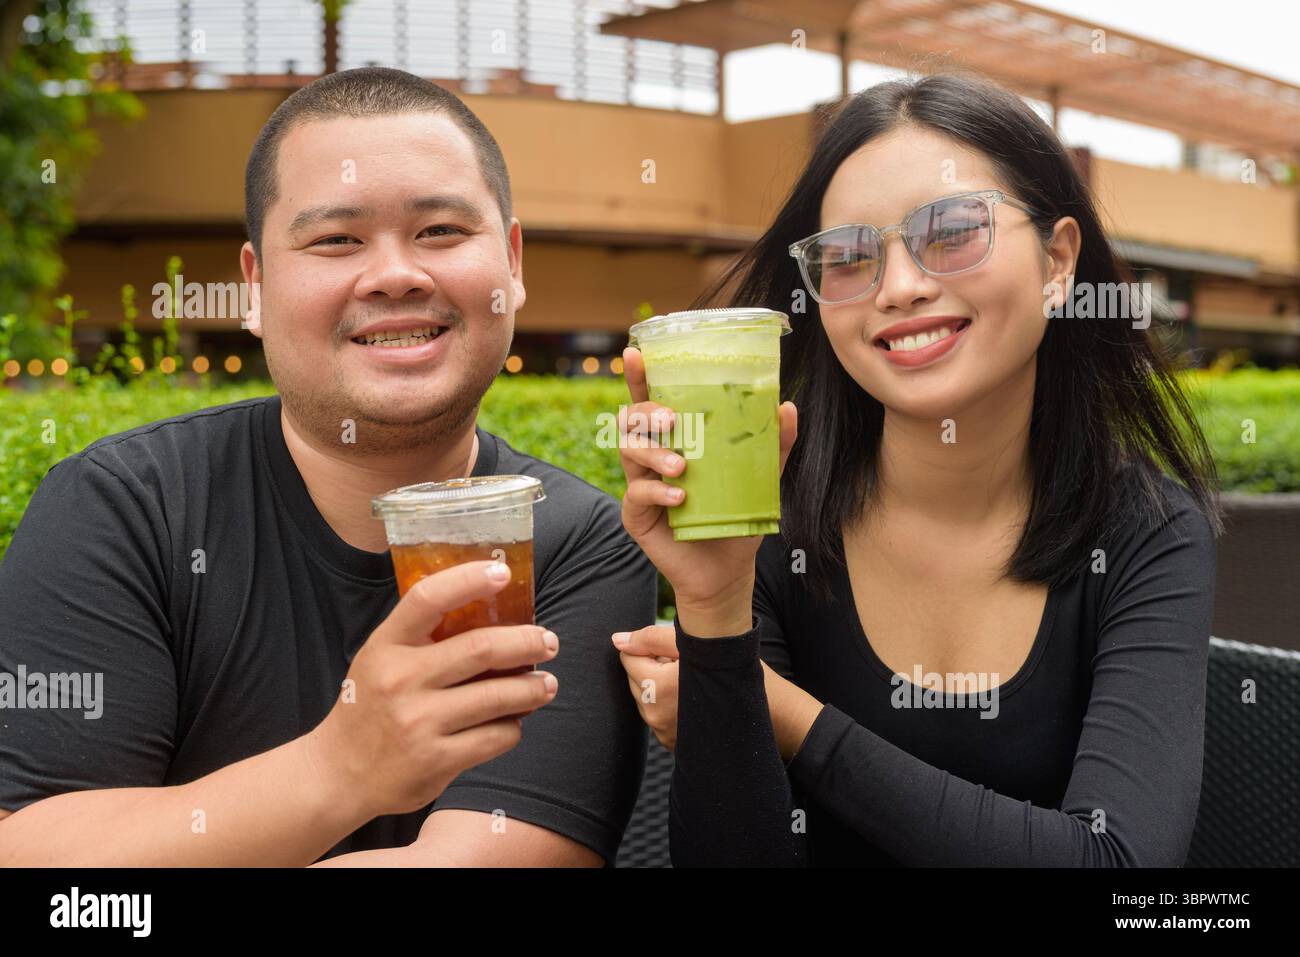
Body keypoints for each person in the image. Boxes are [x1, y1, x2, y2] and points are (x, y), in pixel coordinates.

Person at [0, 67, 656, 867]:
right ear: (255, 284)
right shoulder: (123, 509)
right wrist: (341, 767)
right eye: (336, 239)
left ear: (511, 262)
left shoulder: (576, 540)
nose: (394, 273)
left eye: (442, 231)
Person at [612, 71, 1221, 866]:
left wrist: (797, 721)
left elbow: (1121, 867)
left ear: (1058, 260)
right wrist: (716, 608)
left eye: (954, 229)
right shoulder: (774, 515)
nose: (899, 287)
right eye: (847, 255)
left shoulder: (1145, 531)